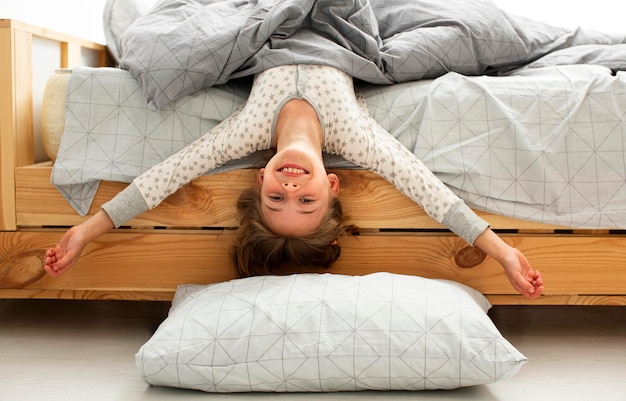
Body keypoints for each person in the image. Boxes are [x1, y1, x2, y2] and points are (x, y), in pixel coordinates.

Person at [44, 64, 544, 298]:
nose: (290, 185)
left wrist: (86, 231)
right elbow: (427, 190)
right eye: (306, 201)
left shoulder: (247, 132)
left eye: (275, 197)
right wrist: (502, 251)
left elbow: (166, 175)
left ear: (259, 177)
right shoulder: (354, 135)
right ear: (333, 185)